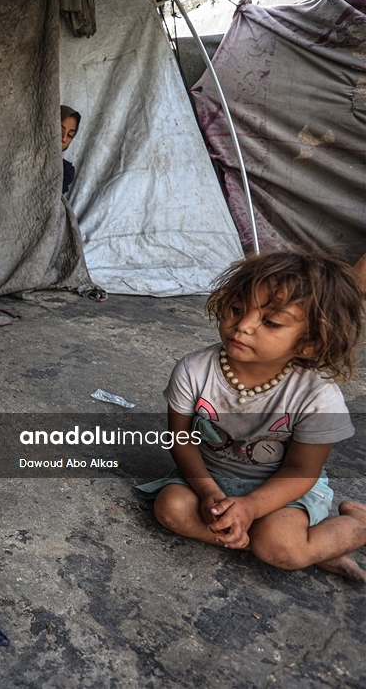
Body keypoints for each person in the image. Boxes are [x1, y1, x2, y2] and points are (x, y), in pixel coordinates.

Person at [136, 250, 366, 581]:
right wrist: (208, 493)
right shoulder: (193, 370)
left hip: (282, 489)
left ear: (310, 343)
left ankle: (356, 524)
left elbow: (302, 471)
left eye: (270, 322)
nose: (242, 326)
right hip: (211, 477)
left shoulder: (317, 395)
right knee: (170, 509)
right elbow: (180, 440)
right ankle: (293, 545)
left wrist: (251, 508)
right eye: (237, 308)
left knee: (280, 547)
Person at [61, 105, 81, 195]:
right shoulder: (20, 154)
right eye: (60, 129)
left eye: (70, 135)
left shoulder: (66, 171)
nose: (64, 138)